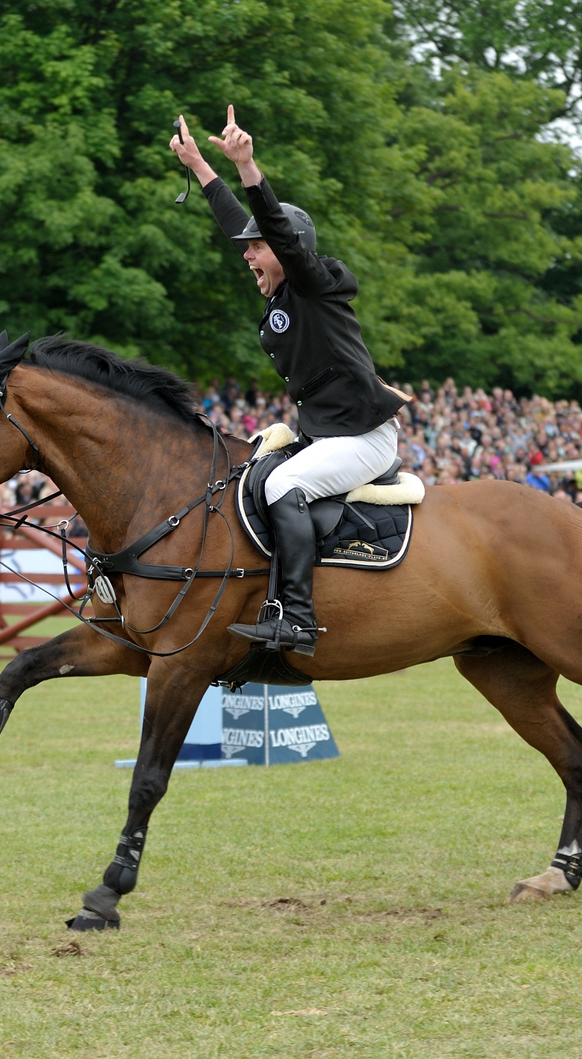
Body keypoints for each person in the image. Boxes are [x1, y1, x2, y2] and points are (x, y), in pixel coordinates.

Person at [170, 106, 406, 656]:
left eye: (257, 248)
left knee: (282, 487)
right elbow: (243, 224)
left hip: (363, 438)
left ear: (287, 251)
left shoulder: (313, 283)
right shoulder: (279, 290)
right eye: (247, 248)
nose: (247, 253)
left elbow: (272, 227)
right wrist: (203, 169)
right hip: (329, 434)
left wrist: (247, 167)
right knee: (253, 473)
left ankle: (296, 619)